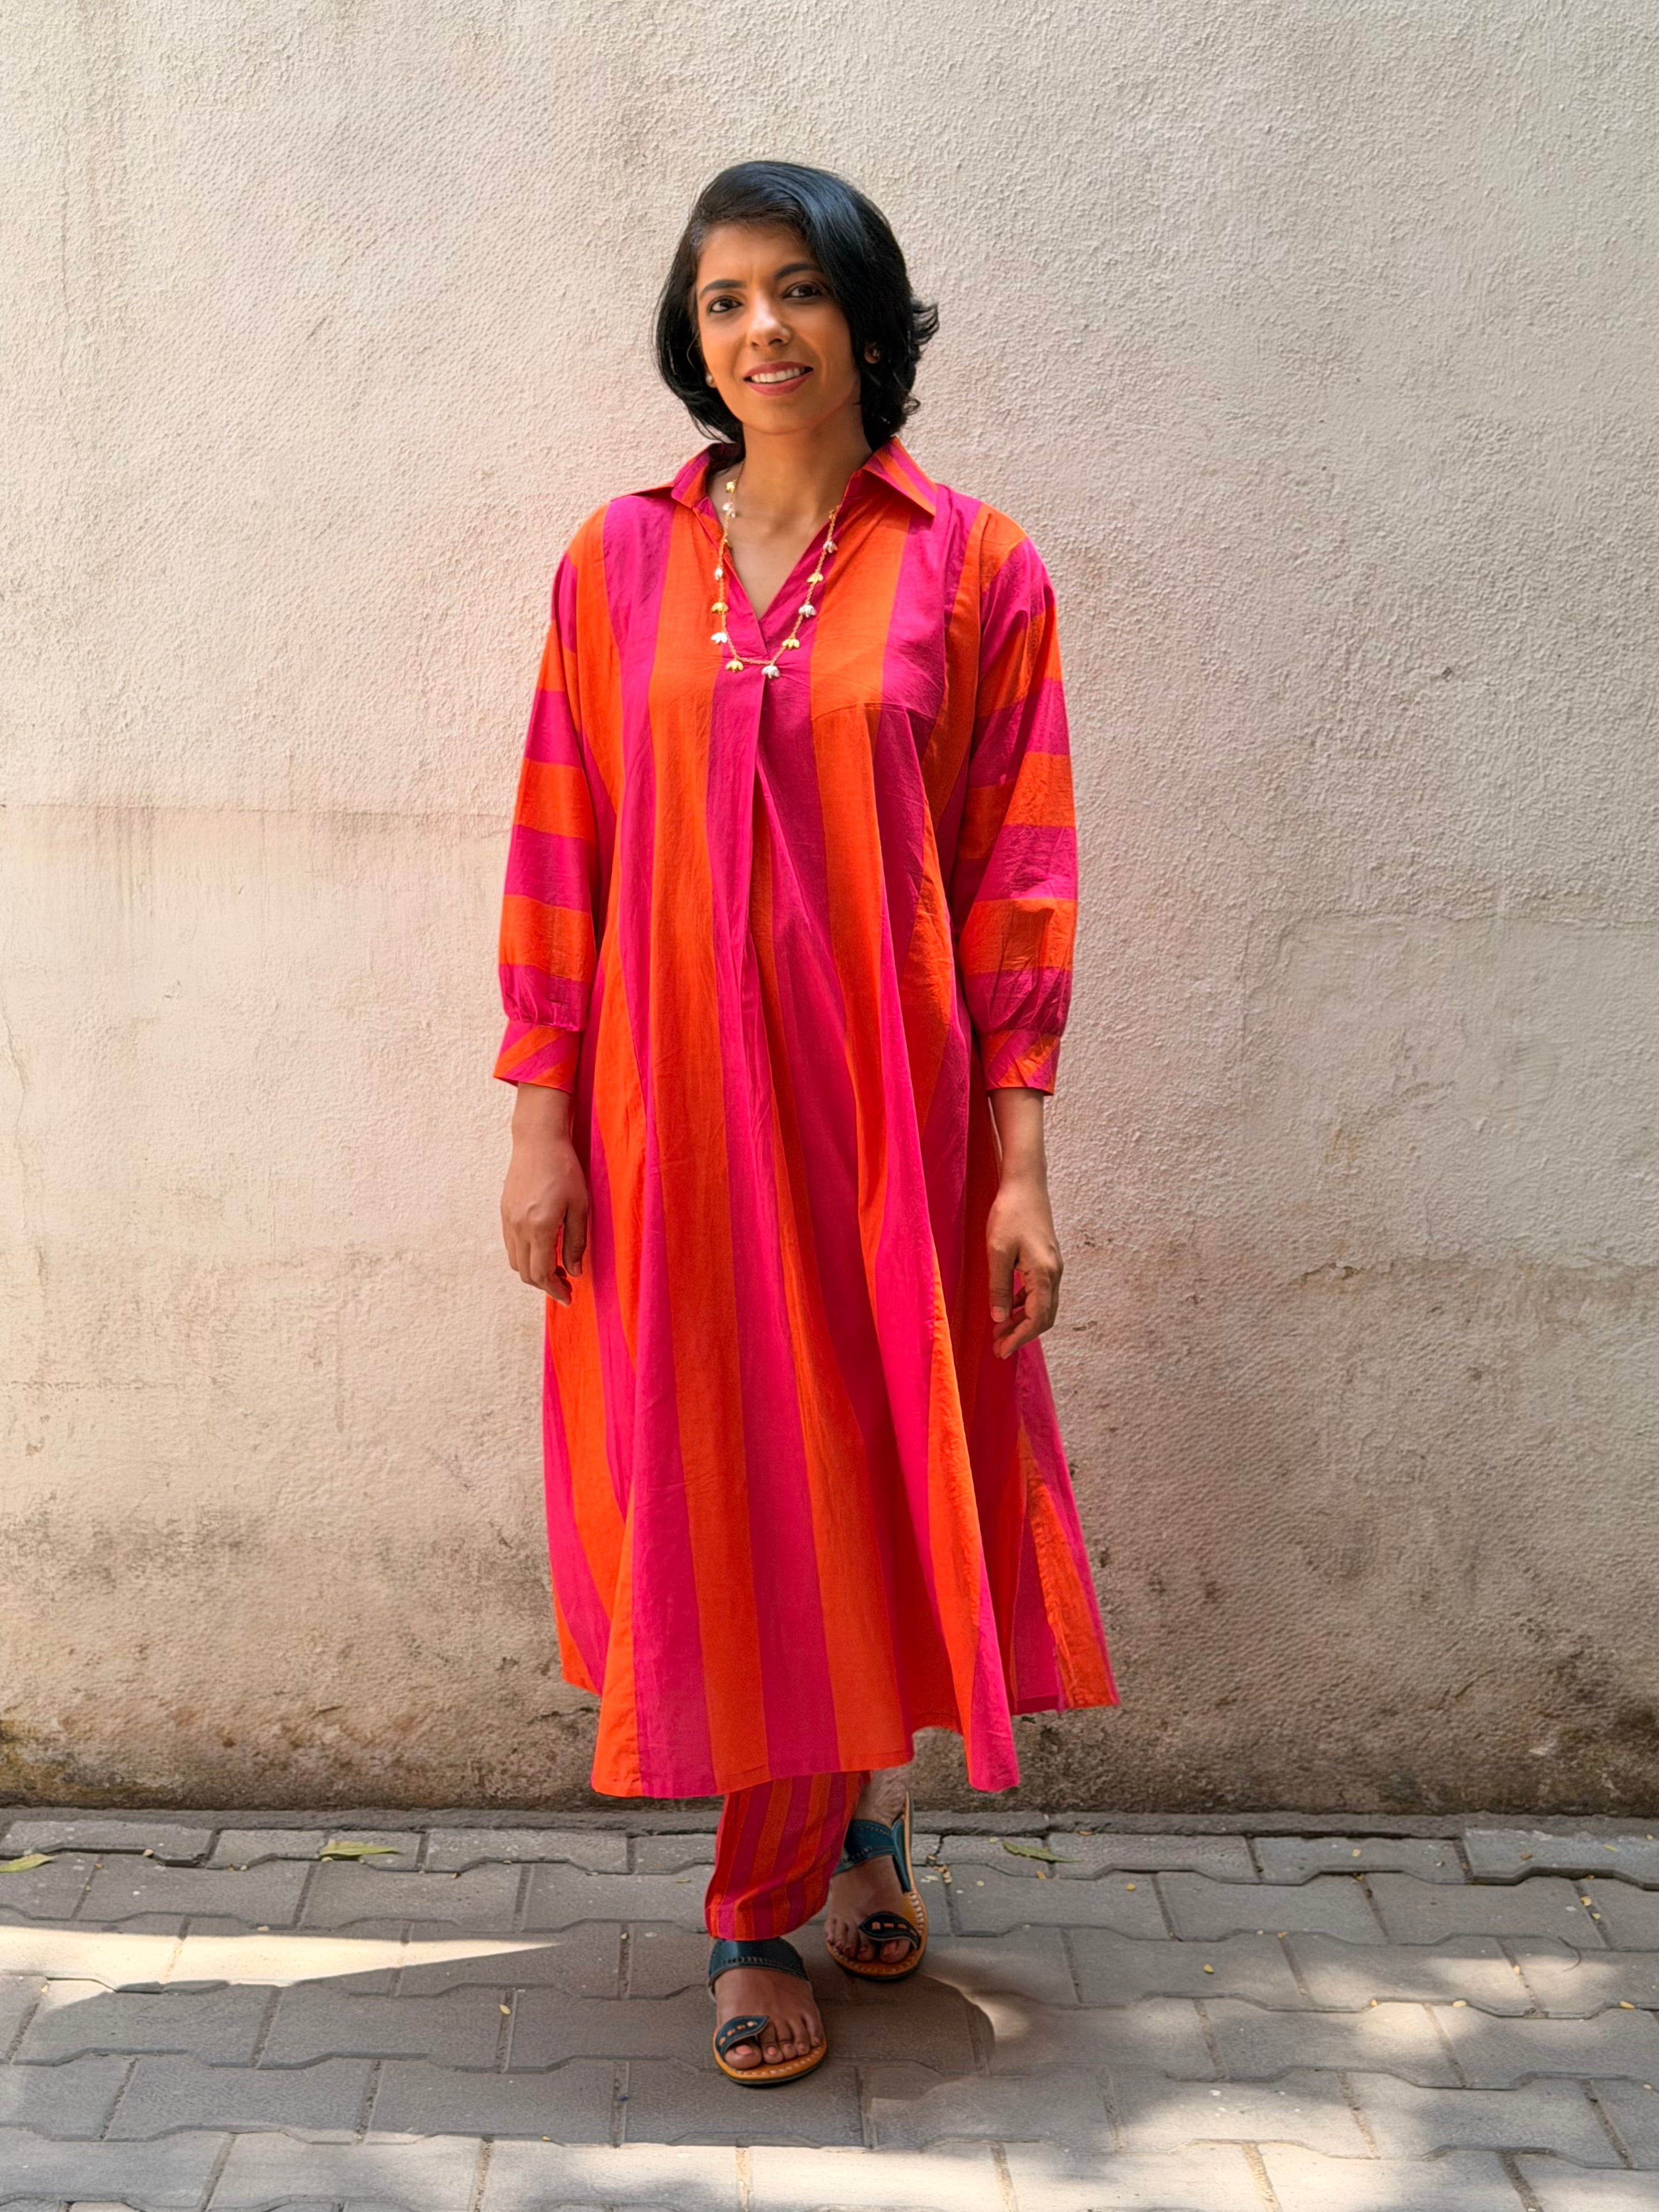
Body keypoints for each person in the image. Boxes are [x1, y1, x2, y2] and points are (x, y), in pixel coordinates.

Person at [495, 160, 1115, 2085]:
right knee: (724, 1483)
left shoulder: (976, 566)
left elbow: (1017, 880)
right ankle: (817, 1858)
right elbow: (561, 841)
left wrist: (1018, 1167)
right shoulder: (615, 562)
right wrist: (540, 1117)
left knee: (861, 1467)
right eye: (722, 301)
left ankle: (786, 1879)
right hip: (668, 1120)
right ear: (691, 342)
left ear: (865, 314)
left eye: (795, 290)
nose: (759, 329)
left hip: (886, 1126)